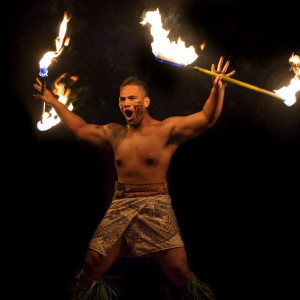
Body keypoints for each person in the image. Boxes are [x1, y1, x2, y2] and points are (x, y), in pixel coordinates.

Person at [33, 56, 235, 300]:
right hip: (121, 206)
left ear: (145, 101)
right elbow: (81, 129)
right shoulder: (115, 134)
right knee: (92, 263)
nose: (126, 103)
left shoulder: (166, 130)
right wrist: (53, 101)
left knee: (180, 272)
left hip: (156, 206)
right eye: (122, 99)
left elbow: (206, 118)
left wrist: (217, 89)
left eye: (132, 98)